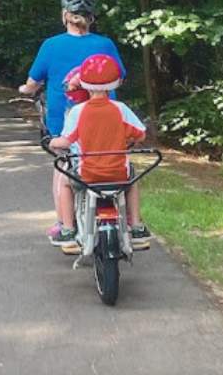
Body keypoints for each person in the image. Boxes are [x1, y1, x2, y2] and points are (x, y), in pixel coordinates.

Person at [16, 0, 140, 245]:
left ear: (65, 16)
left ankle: (65, 225)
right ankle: (131, 223)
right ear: (91, 18)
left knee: (64, 167)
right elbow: (121, 76)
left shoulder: (51, 45)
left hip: (65, 123)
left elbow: (33, 83)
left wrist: (25, 90)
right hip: (108, 121)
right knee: (116, 163)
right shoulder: (105, 44)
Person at [47, 54, 150, 249]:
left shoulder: (78, 112)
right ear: (116, 83)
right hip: (118, 173)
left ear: (83, 83)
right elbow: (141, 135)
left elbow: (67, 140)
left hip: (88, 174)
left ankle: (67, 229)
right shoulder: (120, 109)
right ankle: (136, 226)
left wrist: (53, 142)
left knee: (64, 182)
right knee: (133, 180)